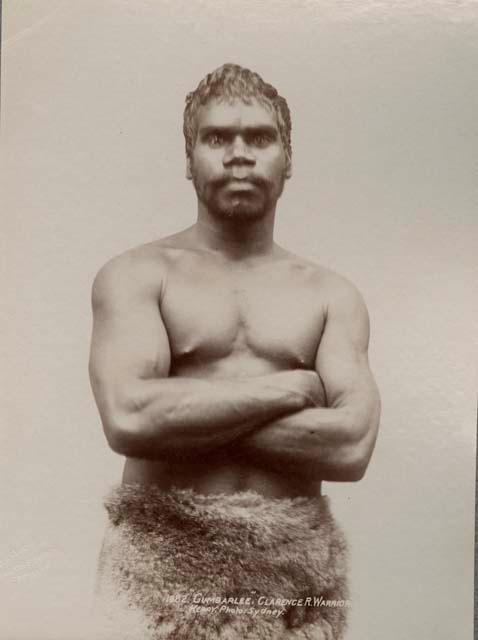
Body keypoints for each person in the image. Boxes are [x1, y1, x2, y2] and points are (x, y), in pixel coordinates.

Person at [88, 63, 380, 640]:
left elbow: (350, 447)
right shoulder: (137, 275)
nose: (239, 153)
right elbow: (130, 418)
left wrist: (181, 412)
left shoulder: (331, 294)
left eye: (260, 137)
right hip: (157, 577)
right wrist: (289, 390)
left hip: (294, 587)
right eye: (217, 137)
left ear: (287, 159)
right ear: (189, 158)